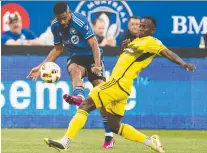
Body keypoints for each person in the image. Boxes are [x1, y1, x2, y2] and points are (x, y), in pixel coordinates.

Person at [44, 16, 195, 152]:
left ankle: (65, 142)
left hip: (116, 84)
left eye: (144, 27)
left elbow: (168, 52)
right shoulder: (136, 41)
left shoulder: (152, 42)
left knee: (85, 105)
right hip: (123, 88)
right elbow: (128, 60)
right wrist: (125, 47)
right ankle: (150, 141)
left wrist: (183, 63)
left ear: (152, 30)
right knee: (114, 126)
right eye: (140, 26)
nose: (140, 28)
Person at [27, 2, 114, 148]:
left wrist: (98, 65)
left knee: (101, 94)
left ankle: (109, 135)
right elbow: (58, 49)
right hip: (76, 56)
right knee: (74, 69)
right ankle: (79, 96)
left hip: (92, 57)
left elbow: (94, 45)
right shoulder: (55, 26)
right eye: (59, 18)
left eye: (64, 17)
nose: (62, 21)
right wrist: (40, 66)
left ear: (70, 13)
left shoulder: (80, 21)